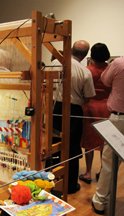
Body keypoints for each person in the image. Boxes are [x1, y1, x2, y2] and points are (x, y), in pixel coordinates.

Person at [48, 40, 96, 194]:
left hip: (54, 108)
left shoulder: (54, 63)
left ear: (70, 49)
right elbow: (88, 97)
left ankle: (50, 182)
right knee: (73, 147)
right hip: (74, 111)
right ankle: (69, 185)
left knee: (53, 145)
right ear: (85, 55)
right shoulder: (85, 71)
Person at [92, 57, 124, 215]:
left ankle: (100, 201)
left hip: (119, 117)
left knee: (109, 162)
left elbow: (105, 80)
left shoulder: (119, 63)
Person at [79, 43, 111, 184]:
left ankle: (87, 172)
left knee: (88, 142)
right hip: (107, 108)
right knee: (105, 141)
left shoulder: (88, 70)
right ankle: (102, 171)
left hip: (90, 107)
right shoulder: (111, 70)